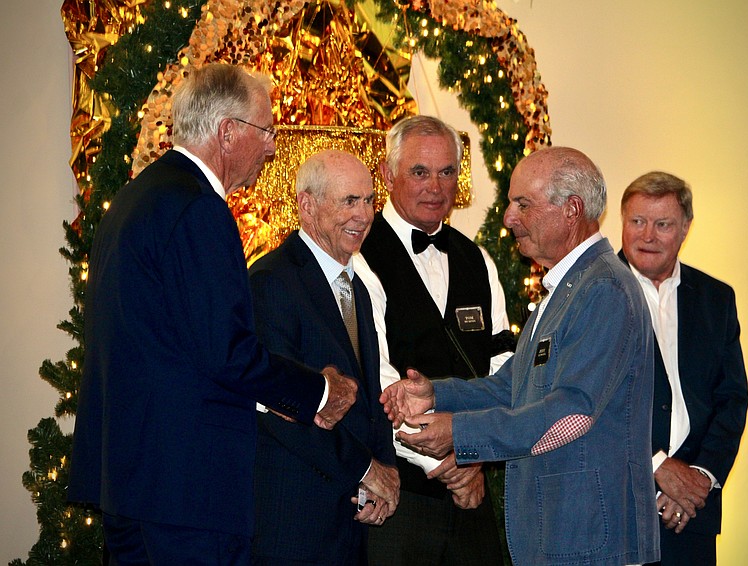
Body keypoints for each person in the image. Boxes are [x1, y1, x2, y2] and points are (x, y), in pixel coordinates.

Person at [67, 64, 359, 565]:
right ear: (228, 133)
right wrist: (320, 392)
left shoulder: (134, 200)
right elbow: (226, 354)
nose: (271, 147)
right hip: (189, 491)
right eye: (266, 131)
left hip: (132, 484)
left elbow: (176, 352)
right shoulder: (198, 207)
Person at [381, 146, 661, 566]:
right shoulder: (565, 289)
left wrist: (460, 433)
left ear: (572, 210)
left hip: (588, 539)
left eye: (522, 204)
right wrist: (435, 396)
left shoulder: (604, 290)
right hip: (558, 535)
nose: (508, 218)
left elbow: (573, 414)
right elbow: (512, 387)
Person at [354, 115, 513, 565]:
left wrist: (474, 449)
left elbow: (503, 369)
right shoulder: (359, 256)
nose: (435, 186)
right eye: (419, 172)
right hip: (398, 497)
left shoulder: (477, 259)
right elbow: (375, 376)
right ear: (388, 174)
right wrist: (445, 463)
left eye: (446, 172)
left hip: (473, 490)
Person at [248, 149, 399, 565]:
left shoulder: (360, 290)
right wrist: (367, 469)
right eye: (349, 201)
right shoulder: (271, 281)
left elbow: (369, 400)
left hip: (351, 523)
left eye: (369, 200)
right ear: (307, 206)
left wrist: (382, 473)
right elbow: (280, 409)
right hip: (294, 523)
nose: (364, 215)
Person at [618, 171, 748, 566]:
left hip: (691, 513)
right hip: (618, 507)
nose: (647, 236)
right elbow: (586, 404)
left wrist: (701, 478)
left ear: (686, 228)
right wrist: (657, 465)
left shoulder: (716, 298)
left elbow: (731, 400)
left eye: (663, 224)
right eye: (637, 221)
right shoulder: (597, 294)